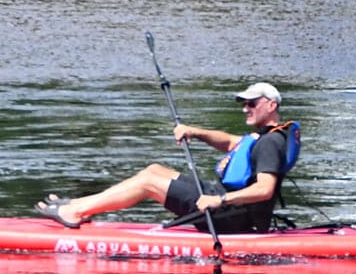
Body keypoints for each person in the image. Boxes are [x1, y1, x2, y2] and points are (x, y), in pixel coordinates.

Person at [35, 82, 299, 233]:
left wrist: (219, 200)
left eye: (251, 104)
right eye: (244, 104)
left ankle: (75, 211)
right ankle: (80, 205)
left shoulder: (271, 143)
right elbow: (230, 142)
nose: (245, 109)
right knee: (154, 171)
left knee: (149, 185)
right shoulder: (261, 136)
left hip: (231, 216)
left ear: (271, 105)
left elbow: (265, 190)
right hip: (224, 203)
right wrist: (194, 132)